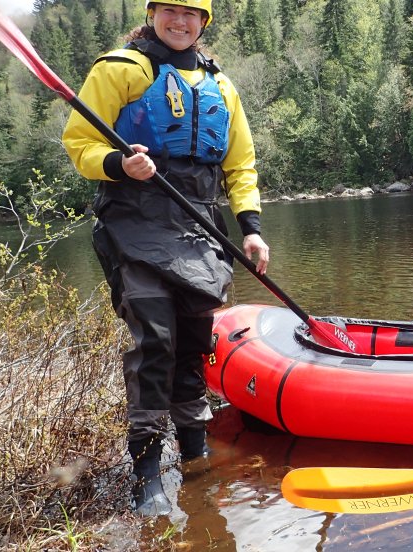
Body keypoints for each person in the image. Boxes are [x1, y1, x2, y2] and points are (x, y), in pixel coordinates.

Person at [62, 0, 269, 516]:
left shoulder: (221, 86)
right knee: (154, 341)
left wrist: (251, 229)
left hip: (198, 226)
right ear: (153, 14)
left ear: (204, 23)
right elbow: (79, 142)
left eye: (191, 15)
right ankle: (148, 470)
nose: (180, 22)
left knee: (196, 343)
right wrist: (116, 163)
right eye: (170, 12)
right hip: (135, 220)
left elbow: (240, 165)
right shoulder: (120, 70)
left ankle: (195, 453)